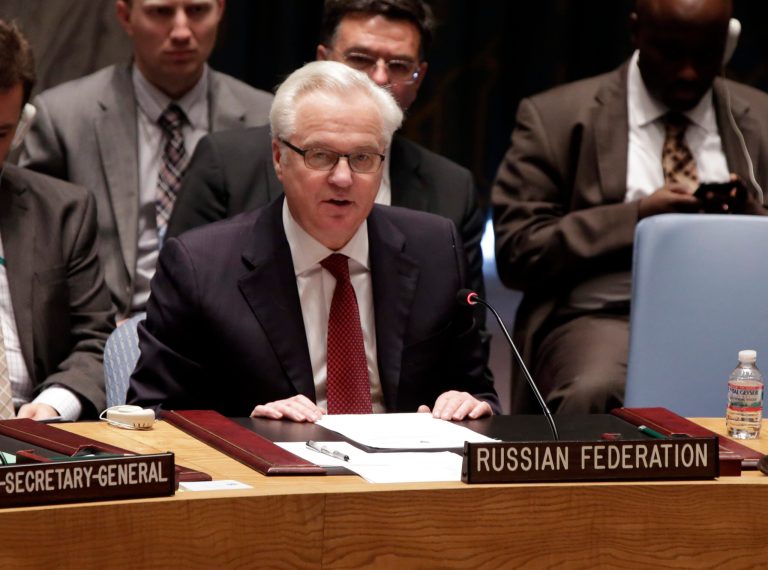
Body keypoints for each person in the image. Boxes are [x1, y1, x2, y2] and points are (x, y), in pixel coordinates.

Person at [128, 61, 499, 421]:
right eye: (320, 156)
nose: (342, 178)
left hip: (404, 474)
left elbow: (478, 391)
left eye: (362, 157)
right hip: (271, 476)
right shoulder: (199, 265)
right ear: (278, 157)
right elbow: (154, 413)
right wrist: (248, 424)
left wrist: (465, 404)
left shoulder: (434, 248)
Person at [492, 0, 768, 414]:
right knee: (596, 388)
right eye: (671, 53)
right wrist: (637, 217)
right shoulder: (555, 117)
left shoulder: (760, 118)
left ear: (728, 42)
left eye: (705, 55)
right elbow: (517, 250)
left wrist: (752, 220)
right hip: (605, 312)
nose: (688, 71)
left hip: (739, 308)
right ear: (636, 32)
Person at [166, 0, 486, 307]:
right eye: (360, 59)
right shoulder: (228, 163)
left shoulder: (452, 191)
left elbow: (467, 336)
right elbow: (182, 292)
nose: (379, 78)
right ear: (323, 59)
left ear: (420, 77)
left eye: (399, 65)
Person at [19, 0, 274, 319]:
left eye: (197, 11)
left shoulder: (266, 120)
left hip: (226, 336)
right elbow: (33, 256)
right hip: (105, 332)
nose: (181, 31)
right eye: (161, 12)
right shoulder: (64, 118)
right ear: (125, 16)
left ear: (221, 10)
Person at [0, 20, 115, 420]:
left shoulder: (63, 211)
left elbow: (96, 339)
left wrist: (53, 405)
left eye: (0, 133)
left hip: (35, 430)